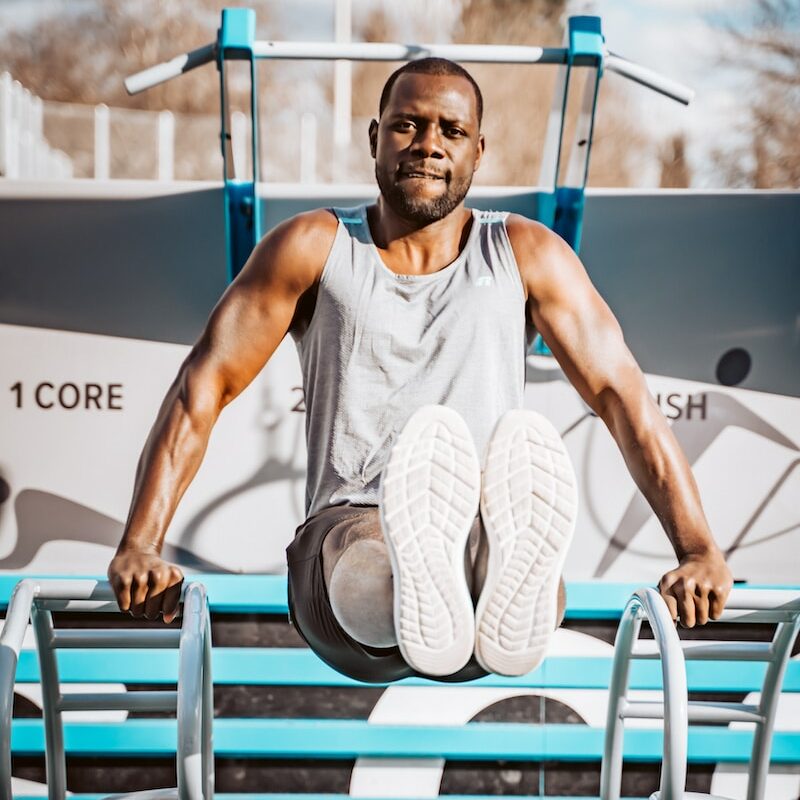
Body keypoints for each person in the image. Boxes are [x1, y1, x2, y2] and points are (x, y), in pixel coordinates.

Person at [108, 58, 733, 682]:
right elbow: (203, 388)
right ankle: (436, 581)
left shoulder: (525, 253)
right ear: (374, 136)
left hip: (479, 548)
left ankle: (494, 587)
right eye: (407, 125)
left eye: (451, 131)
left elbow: (623, 399)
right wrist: (141, 543)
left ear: (479, 150)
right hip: (347, 552)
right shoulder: (314, 246)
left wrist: (698, 550)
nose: (429, 145)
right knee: (370, 557)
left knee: (501, 564)